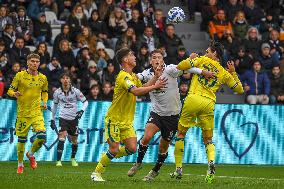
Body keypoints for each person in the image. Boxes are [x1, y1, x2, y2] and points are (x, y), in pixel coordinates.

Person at [127, 49, 214, 181]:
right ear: (151, 61)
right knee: (146, 137)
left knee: (163, 146)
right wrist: (126, 77)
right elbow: (135, 78)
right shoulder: (147, 73)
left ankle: (155, 170)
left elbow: (188, 69)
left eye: (159, 58)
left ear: (163, 60)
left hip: (173, 116)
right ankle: (138, 163)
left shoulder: (170, 70)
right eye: (154, 58)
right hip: (156, 113)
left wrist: (203, 71)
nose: (157, 60)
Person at [170, 41, 244, 183]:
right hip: (209, 103)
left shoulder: (201, 60)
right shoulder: (223, 72)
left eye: (207, 51)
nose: (205, 53)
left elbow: (180, 66)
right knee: (208, 140)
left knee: (180, 134)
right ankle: (210, 163)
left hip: (193, 99)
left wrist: (191, 58)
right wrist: (233, 73)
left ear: (214, 53)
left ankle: (178, 169)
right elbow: (239, 89)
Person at [91, 48, 167, 182]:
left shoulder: (133, 76)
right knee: (114, 150)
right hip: (114, 119)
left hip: (126, 121)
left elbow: (145, 86)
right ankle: (96, 173)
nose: (134, 57)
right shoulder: (123, 76)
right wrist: (155, 87)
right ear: (125, 60)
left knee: (132, 148)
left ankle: (106, 156)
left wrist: (155, 76)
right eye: (131, 55)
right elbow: (137, 91)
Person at [7, 53, 48, 174]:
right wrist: (14, 94)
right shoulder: (19, 75)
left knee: (42, 138)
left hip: (36, 112)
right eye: (32, 61)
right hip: (23, 114)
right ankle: (20, 165)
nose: (35, 63)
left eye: (37, 61)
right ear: (27, 62)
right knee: (21, 141)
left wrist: (44, 101)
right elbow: (9, 90)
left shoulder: (43, 78)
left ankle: (30, 154)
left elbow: (45, 92)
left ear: (39, 63)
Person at [51, 73, 88, 167]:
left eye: (67, 78)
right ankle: (58, 161)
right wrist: (52, 119)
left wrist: (81, 111)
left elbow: (85, 102)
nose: (65, 80)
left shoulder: (76, 91)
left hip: (74, 118)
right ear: (61, 80)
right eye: (63, 78)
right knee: (62, 136)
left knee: (74, 140)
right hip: (63, 118)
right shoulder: (57, 92)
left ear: (70, 80)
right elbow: (55, 106)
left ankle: (72, 158)